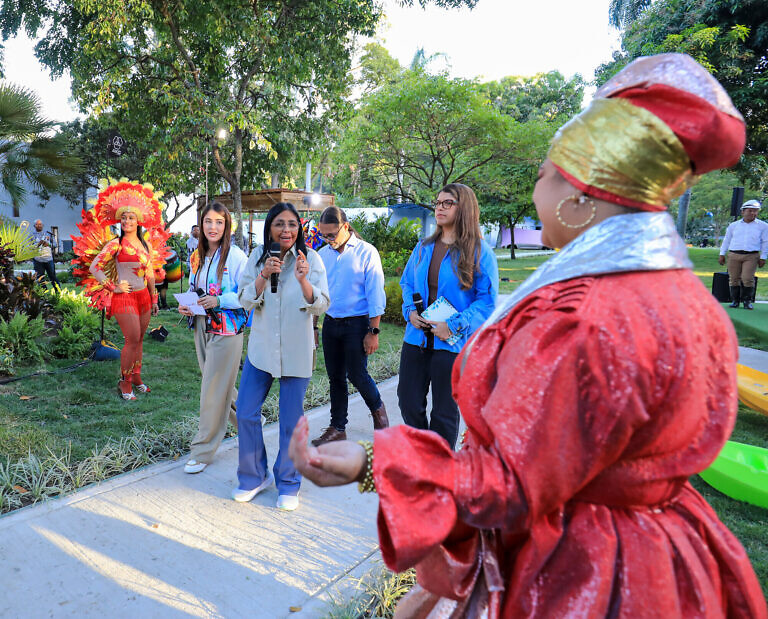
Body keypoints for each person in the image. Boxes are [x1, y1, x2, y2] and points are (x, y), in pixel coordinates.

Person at [288, 54, 767, 617]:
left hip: (584, 570)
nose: (535, 188)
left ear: (580, 192)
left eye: (543, 172)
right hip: (665, 555)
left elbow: (512, 482)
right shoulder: (687, 300)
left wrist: (375, 463)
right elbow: (560, 460)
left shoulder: (585, 314)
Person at [234, 202, 329, 511]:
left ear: (299, 228)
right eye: (279, 224)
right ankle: (253, 476)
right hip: (261, 349)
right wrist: (263, 274)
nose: (286, 230)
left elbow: (322, 303)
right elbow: (245, 299)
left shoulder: (311, 259)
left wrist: (303, 280)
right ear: (269, 227)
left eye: (292, 224)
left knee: (290, 419)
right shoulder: (258, 257)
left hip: (296, 349)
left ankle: (288, 482)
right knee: (246, 412)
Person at [397, 183, 498, 449]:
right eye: (438, 203)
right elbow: (407, 283)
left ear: (463, 208)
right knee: (408, 402)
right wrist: (409, 311)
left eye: (447, 203)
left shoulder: (479, 252)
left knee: (444, 413)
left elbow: (487, 301)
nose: (439, 208)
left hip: (451, 345)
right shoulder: (423, 247)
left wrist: (453, 325)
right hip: (416, 340)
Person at [178, 202, 248, 474]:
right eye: (208, 221)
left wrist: (219, 299)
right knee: (221, 386)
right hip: (201, 325)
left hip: (227, 329)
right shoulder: (197, 257)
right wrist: (188, 304)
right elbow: (196, 288)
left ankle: (203, 449)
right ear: (201, 224)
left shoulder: (237, 257)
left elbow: (246, 294)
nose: (213, 227)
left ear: (226, 225)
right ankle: (249, 424)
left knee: (211, 389)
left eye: (219, 222)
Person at [311, 206, 389, 447]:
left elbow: (375, 294)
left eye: (332, 234)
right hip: (331, 324)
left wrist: (373, 332)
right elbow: (317, 294)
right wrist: (314, 327)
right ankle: (338, 427)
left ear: (345, 227)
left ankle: (379, 413)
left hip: (358, 324)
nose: (327, 240)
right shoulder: (323, 255)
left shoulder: (367, 253)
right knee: (335, 377)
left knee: (357, 374)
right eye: (323, 235)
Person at [88, 181, 166, 400]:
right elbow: (95, 267)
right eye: (123, 218)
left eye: (131, 218)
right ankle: (124, 382)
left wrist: (153, 298)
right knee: (131, 339)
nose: (127, 221)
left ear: (138, 221)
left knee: (140, 339)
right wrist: (114, 287)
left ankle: (137, 377)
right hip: (125, 298)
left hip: (143, 297)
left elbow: (149, 272)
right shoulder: (115, 245)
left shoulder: (145, 245)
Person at [718, 199, 768, 310]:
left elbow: (765, 242)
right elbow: (727, 240)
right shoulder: (733, 225)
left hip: (751, 255)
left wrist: (763, 257)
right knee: (734, 278)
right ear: (743, 212)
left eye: (755, 211)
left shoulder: (763, 226)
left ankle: (747, 301)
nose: (753, 213)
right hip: (734, 254)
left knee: (747, 278)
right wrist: (722, 254)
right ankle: (735, 301)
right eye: (750, 211)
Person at [30, 219, 60, 291]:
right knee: (40, 278)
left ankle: (58, 292)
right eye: (37, 224)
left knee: (52, 276)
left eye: (40, 224)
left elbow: (55, 245)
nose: (39, 225)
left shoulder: (48, 234)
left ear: (43, 225)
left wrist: (48, 244)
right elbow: (29, 247)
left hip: (48, 259)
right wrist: (38, 244)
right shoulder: (31, 235)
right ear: (34, 226)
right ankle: (44, 293)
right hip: (38, 260)